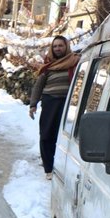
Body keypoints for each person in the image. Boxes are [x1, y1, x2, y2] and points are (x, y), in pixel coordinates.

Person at [28, 35, 79, 178]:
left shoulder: (75, 62)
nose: (57, 48)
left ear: (66, 46)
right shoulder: (48, 66)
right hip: (50, 103)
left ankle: (62, 166)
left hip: (68, 104)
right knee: (46, 136)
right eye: (55, 46)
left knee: (63, 136)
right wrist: (33, 104)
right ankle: (49, 168)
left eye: (60, 45)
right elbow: (38, 86)